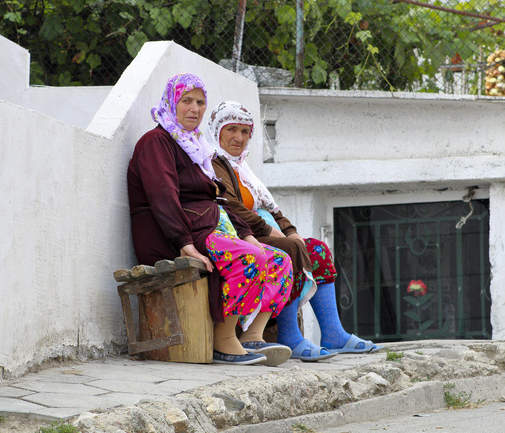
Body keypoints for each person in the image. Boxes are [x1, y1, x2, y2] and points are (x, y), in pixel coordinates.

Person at [127, 74, 294, 366]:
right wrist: (185, 244)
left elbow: (219, 201)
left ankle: (252, 335)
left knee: (279, 260)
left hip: (205, 228)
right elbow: (163, 198)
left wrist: (246, 233)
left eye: (200, 102)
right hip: (172, 236)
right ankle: (224, 338)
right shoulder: (156, 142)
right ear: (171, 102)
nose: (194, 108)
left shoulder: (195, 147)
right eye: (186, 100)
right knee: (250, 258)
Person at [208, 100, 377, 361]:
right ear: (217, 130)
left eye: (244, 132)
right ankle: (288, 333)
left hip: (261, 231)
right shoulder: (213, 163)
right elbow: (231, 207)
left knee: (316, 249)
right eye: (231, 129)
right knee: (290, 248)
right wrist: (277, 234)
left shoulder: (244, 169)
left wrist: (290, 230)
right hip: (239, 234)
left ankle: (333, 333)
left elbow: (272, 208)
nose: (238, 138)